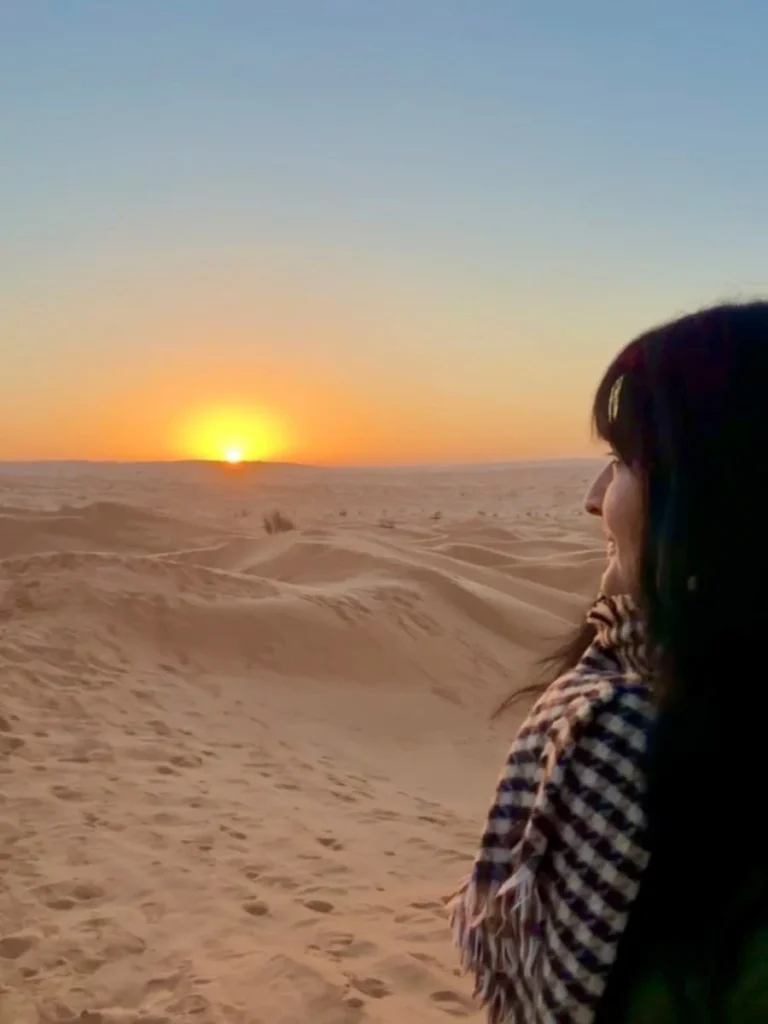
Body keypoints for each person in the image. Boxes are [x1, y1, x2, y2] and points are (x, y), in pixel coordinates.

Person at [450, 302, 768, 1023]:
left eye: (624, 464)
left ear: (725, 501)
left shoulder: (642, 750)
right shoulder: (634, 704)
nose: (594, 501)